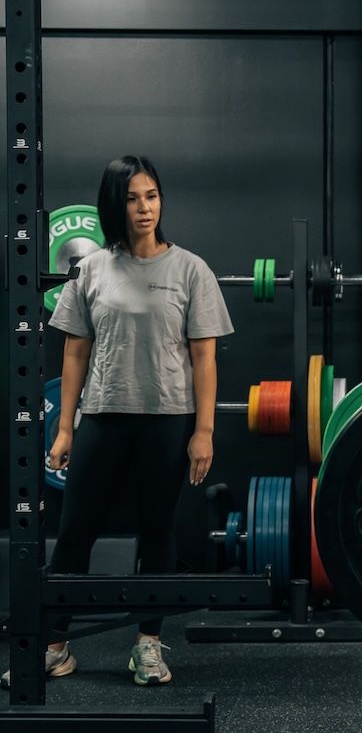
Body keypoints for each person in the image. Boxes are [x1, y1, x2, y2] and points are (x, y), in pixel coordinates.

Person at [1, 155, 233, 690]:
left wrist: (203, 431)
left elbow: (204, 358)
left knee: (158, 532)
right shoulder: (92, 270)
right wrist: (64, 428)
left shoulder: (190, 269)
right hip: (104, 415)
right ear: (114, 204)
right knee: (75, 532)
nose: (145, 208)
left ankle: (147, 645)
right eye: (132, 198)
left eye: (151, 195)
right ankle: (54, 646)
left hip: (168, 418)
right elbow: (75, 353)